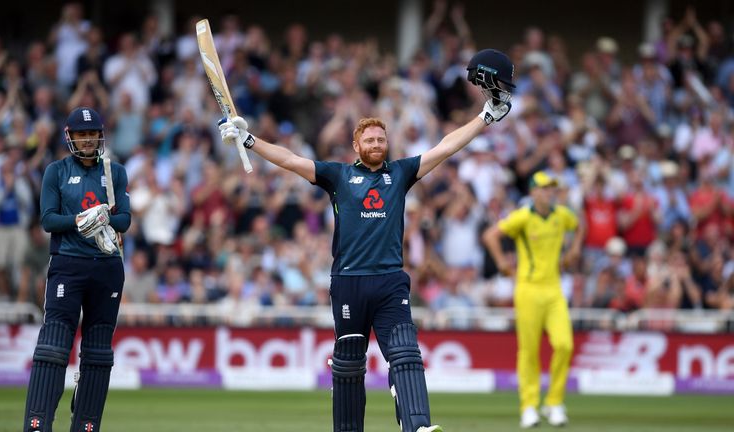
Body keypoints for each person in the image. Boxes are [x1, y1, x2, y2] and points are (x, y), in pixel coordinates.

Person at [218, 48, 514, 432]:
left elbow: (446, 145)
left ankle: (418, 426)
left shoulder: (402, 173)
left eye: (381, 139)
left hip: (390, 280)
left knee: (405, 353)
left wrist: (485, 117)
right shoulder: (337, 176)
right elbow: (291, 160)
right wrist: (251, 140)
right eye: (369, 140)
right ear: (356, 146)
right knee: (348, 366)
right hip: (348, 281)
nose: (376, 144)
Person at [22, 107, 130, 432]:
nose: (87, 139)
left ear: (101, 135)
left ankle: (86, 424)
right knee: (54, 345)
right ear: (70, 136)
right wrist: (81, 221)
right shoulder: (56, 171)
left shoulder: (114, 172)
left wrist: (105, 217)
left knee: (98, 351)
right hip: (67, 265)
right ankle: (38, 423)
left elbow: (124, 218)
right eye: (81, 134)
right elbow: (47, 220)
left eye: (93, 133)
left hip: (107, 267)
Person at [482, 171, 584, 428]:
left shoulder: (562, 215)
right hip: (527, 289)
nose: (550, 192)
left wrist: (574, 249)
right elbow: (490, 235)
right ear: (534, 192)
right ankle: (529, 406)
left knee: (565, 345)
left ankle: (554, 403)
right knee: (529, 351)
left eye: (552, 188)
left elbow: (580, 225)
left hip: (554, 289)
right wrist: (503, 264)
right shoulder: (523, 217)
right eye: (544, 188)